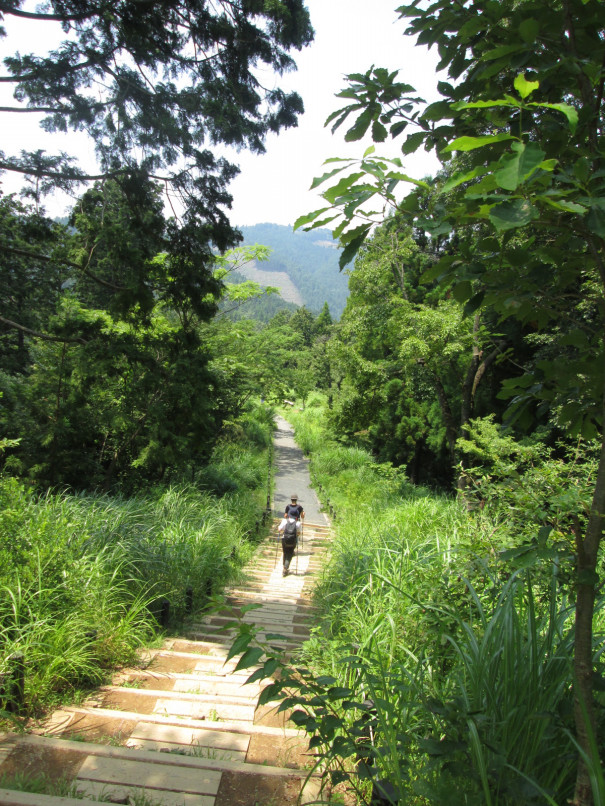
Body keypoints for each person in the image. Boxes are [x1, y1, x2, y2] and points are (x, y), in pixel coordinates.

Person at [277, 512, 301, 576]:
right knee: (290, 554)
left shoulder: (285, 521)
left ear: (289, 516)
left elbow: (279, 529)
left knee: (285, 553)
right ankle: (285, 568)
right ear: (296, 517)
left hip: (284, 539)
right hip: (292, 541)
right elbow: (298, 533)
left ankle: (284, 567)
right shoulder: (298, 523)